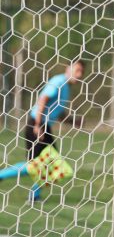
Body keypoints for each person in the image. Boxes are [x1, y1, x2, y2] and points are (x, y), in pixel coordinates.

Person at [0, 60, 86, 200]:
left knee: (50, 163)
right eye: (77, 70)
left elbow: (57, 112)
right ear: (67, 68)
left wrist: (73, 121)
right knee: (36, 164)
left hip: (44, 126)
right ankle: (4, 176)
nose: (79, 75)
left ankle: (35, 195)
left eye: (81, 72)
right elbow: (43, 99)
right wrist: (38, 125)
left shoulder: (66, 87)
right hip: (37, 125)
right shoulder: (58, 81)